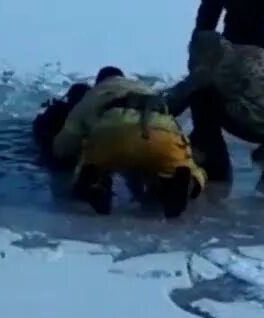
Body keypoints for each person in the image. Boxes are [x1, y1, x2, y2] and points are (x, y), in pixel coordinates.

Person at [51, 66, 207, 218]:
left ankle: (95, 183)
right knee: (187, 167)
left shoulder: (94, 94)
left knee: (89, 161)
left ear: (99, 82)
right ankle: (186, 185)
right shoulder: (144, 88)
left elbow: (64, 145)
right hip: (160, 132)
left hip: (113, 132)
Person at [161, 30, 264, 183]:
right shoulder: (256, 52)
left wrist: (159, 108)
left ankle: (214, 163)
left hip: (262, 125)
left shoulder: (214, 65)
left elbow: (182, 94)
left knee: (202, 98)